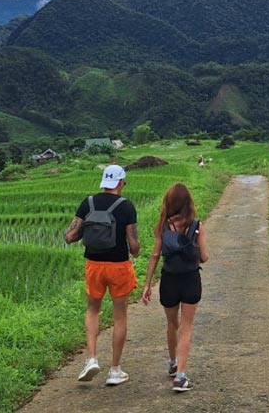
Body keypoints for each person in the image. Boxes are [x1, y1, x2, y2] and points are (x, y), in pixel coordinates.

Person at [64, 164, 140, 386]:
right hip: (118, 266)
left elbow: (70, 236)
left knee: (93, 309)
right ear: (120, 182)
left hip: (94, 265)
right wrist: (136, 252)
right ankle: (115, 370)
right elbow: (133, 243)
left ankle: (91, 359)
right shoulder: (126, 206)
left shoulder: (87, 203)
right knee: (120, 315)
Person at [141, 183, 209, 392]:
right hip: (190, 280)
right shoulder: (197, 225)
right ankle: (181, 377)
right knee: (186, 327)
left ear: (169, 203)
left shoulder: (163, 226)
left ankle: (172, 363)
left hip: (169, 280)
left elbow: (154, 256)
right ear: (188, 203)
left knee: (172, 324)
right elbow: (204, 257)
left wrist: (147, 284)